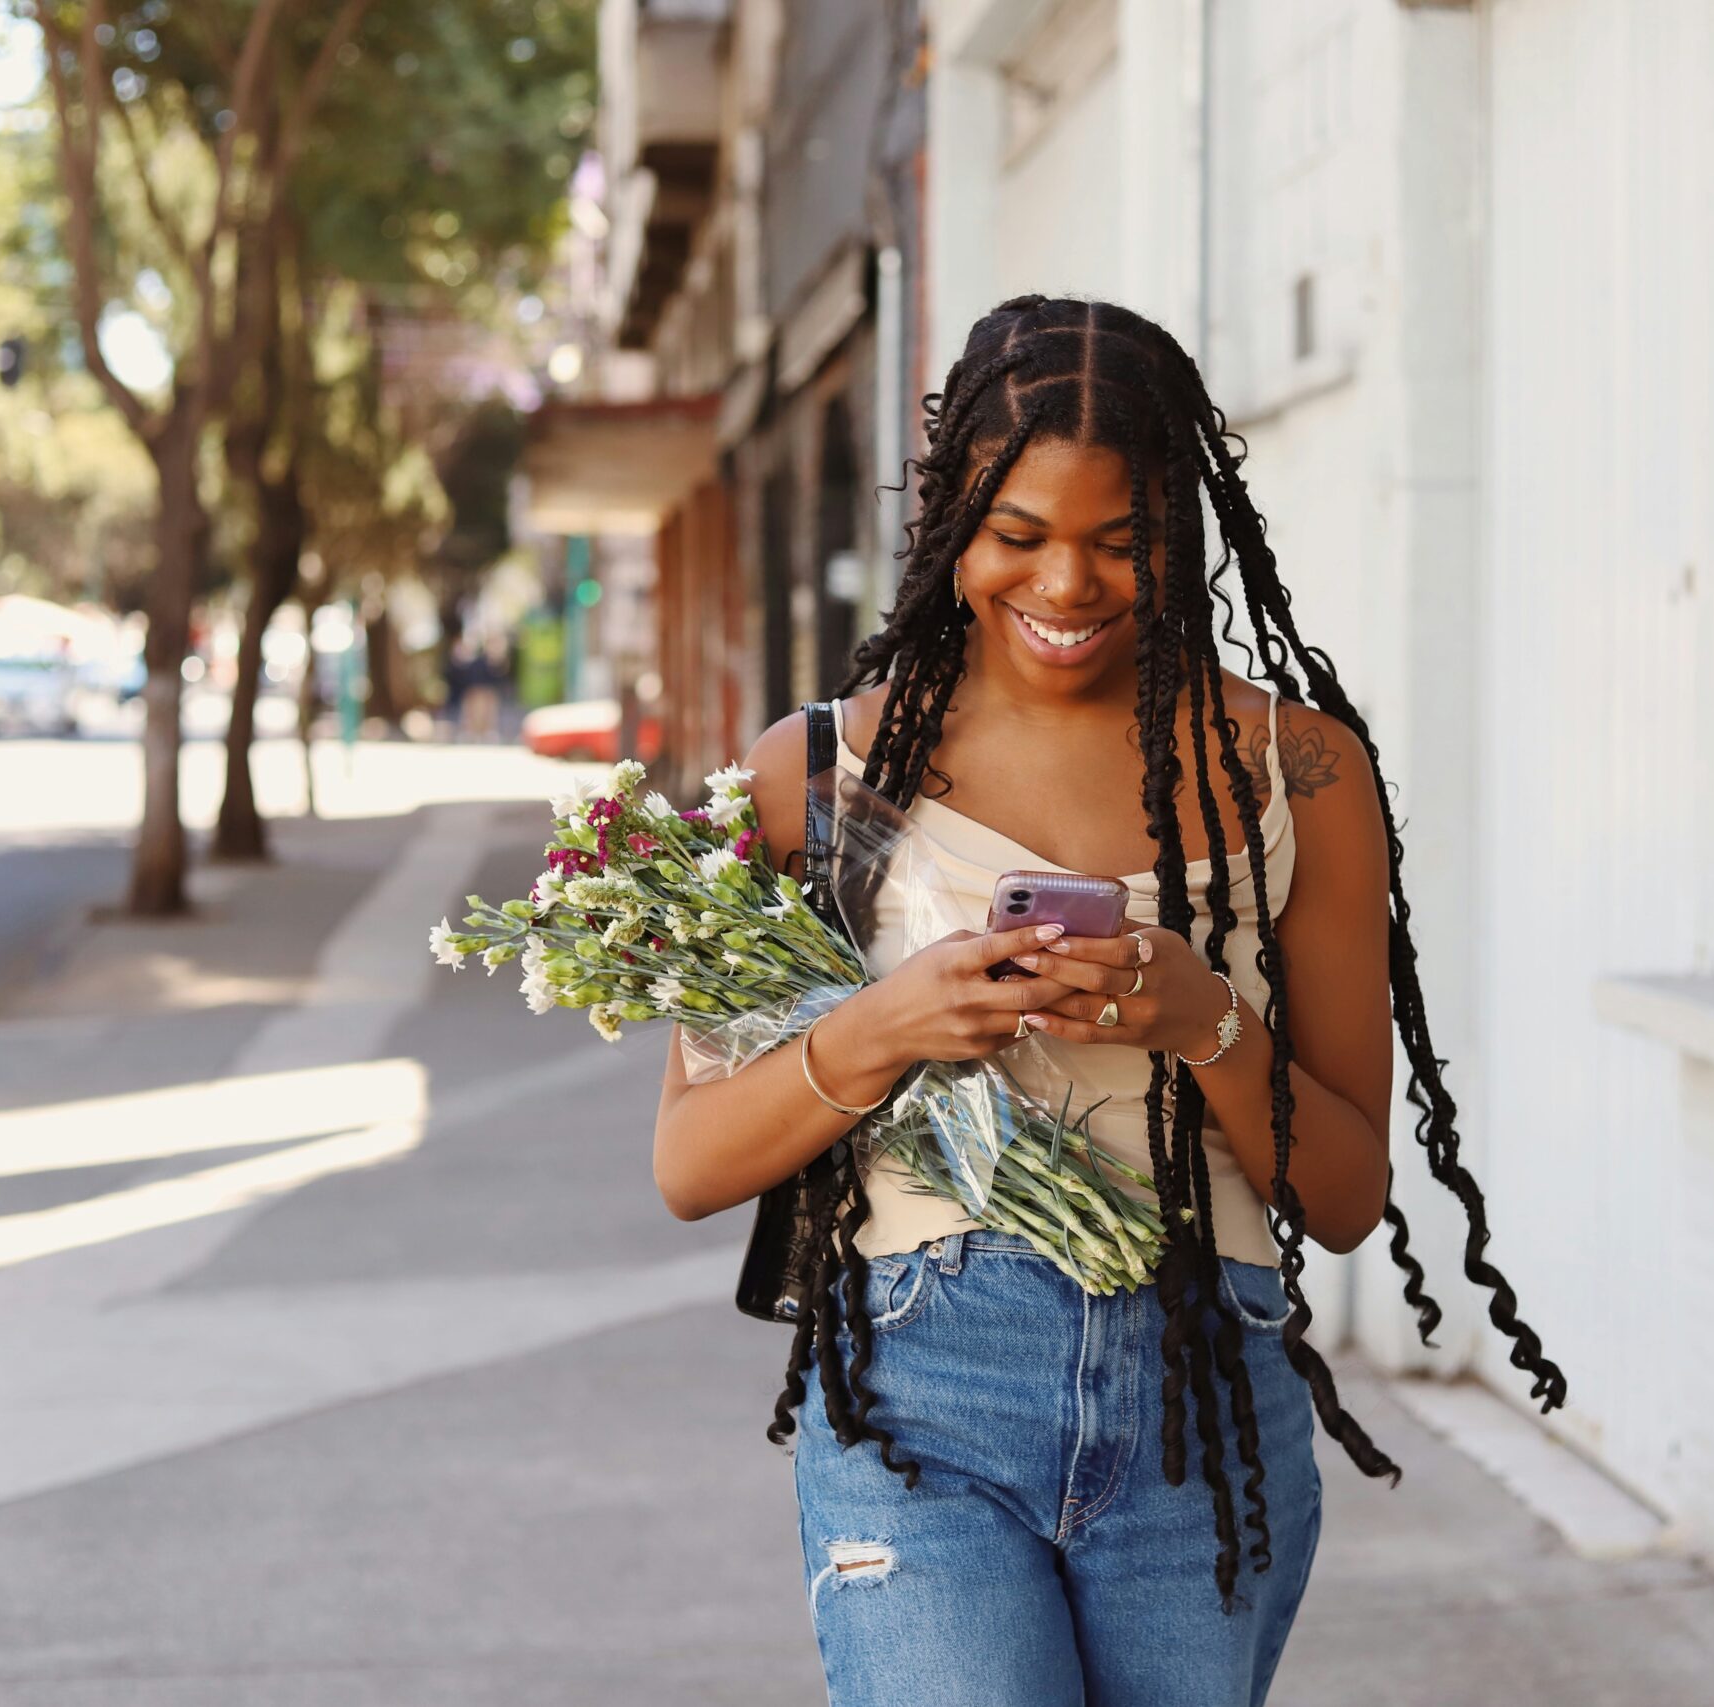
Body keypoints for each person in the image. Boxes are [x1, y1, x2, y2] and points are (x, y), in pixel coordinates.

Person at [650, 295, 1566, 1705]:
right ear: (950, 513)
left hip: (1204, 1407)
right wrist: (890, 1024)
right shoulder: (817, 775)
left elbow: (1343, 1196)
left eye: (1122, 540)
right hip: (918, 1403)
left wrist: (1201, 1023)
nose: (1067, 584)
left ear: (1181, 534)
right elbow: (691, 1163)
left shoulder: (1299, 772)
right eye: (1017, 536)